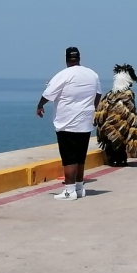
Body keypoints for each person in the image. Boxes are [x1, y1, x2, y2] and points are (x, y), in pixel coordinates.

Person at [36, 47, 101, 201]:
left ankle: (69, 190)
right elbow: (98, 94)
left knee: (69, 158)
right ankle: (79, 188)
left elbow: (48, 94)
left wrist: (40, 106)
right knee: (80, 157)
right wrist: (92, 108)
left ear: (66, 59)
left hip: (67, 122)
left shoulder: (63, 75)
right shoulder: (92, 74)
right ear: (79, 58)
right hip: (85, 122)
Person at [94, 64, 137, 167]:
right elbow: (131, 110)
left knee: (113, 142)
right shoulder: (127, 94)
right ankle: (119, 159)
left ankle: (114, 159)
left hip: (109, 125)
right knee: (119, 142)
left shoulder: (109, 95)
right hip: (119, 125)